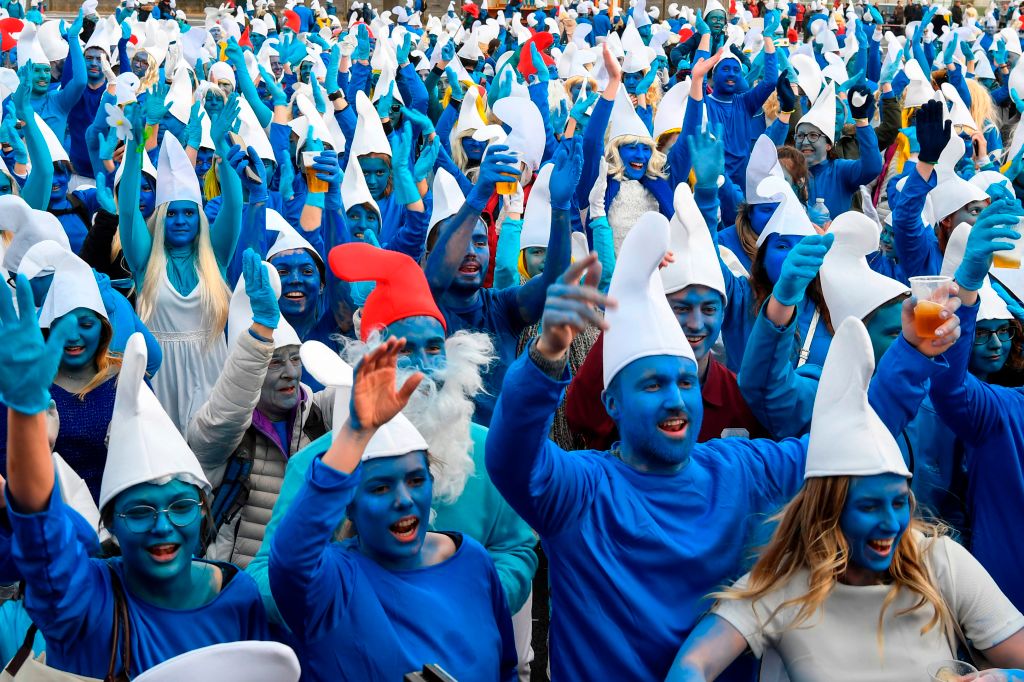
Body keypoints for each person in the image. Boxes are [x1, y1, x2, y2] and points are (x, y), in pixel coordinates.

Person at [487, 212, 811, 680]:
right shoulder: (582, 490)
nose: (677, 399)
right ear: (612, 404)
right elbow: (512, 460)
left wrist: (913, 350)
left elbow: (841, 450)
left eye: (685, 381)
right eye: (654, 385)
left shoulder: (740, 467)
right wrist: (548, 353)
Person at [668, 316, 1024, 681]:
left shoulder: (939, 560)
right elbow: (694, 664)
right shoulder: (784, 583)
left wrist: (1005, 678)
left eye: (899, 503)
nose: (891, 522)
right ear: (828, 510)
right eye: (869, 507)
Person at [0, 281, 268, 677]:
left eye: (180, 506)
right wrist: (24, 412)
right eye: (140, 511)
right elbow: (44, 542)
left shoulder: (239, 594)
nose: (163, 526)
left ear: (203, 513)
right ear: (110, 524)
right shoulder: (88, 599)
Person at [268, 338, 517, 680]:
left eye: (416, 481)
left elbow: (505, 668)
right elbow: (290, 559)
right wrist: (355, 435)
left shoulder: (472, 559)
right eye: (381, 487)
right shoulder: (330, 584)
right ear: (350, 507)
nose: (403, 499)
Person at [187, 250, 334, 567]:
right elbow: (226, 417)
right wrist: (260, 333)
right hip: (237, 591)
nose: (291, 373)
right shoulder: (221, 430)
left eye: (295, 359)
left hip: (307, 582)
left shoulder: (319, 414)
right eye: (275, 362)